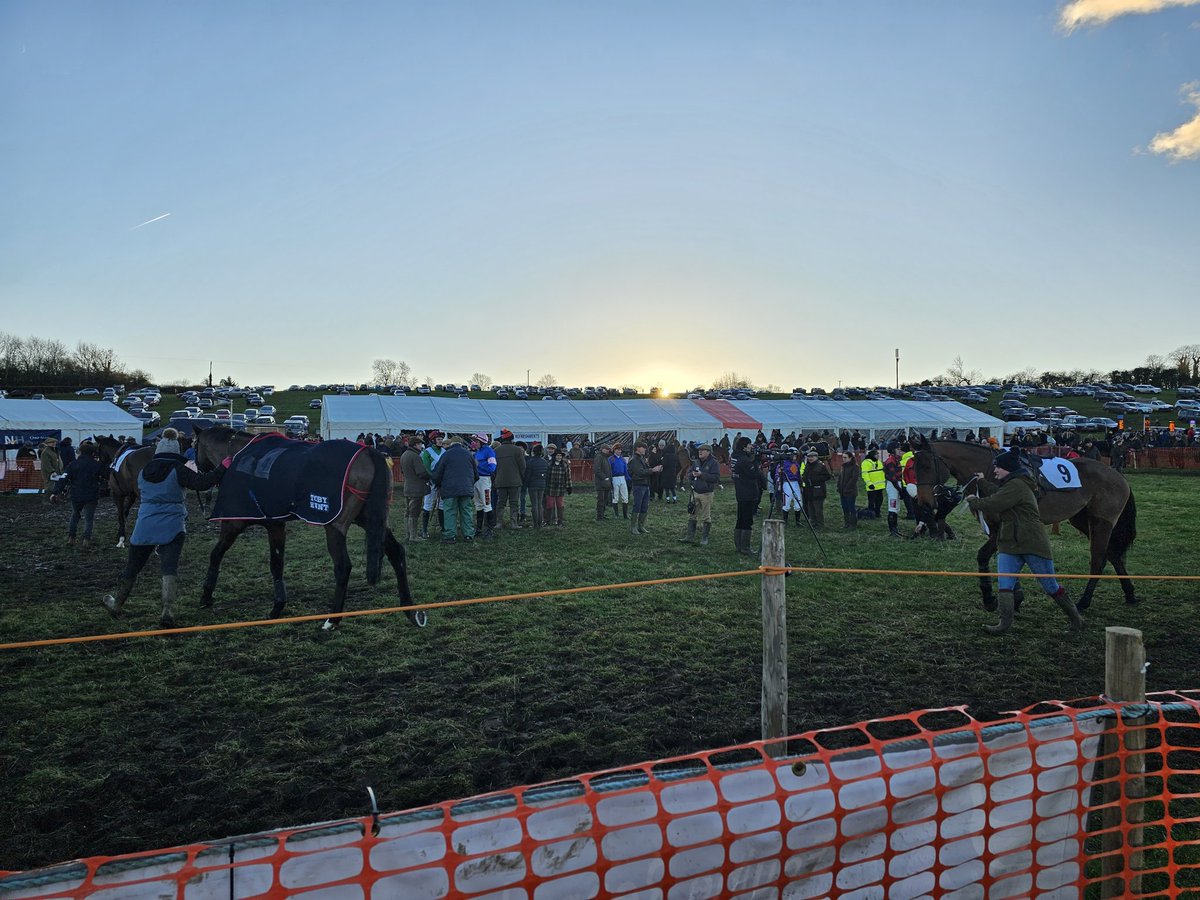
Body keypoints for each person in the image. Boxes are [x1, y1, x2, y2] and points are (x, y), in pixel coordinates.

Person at [102, 429, 229, 627]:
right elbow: (203, 483)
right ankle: (167, 611)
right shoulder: (179, 469)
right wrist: (223, 466)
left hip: (144, 524)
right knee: (169, 569)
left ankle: (117, 603)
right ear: (176, 449)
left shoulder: (144, 471)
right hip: (172, 526)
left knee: (133, 567)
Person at [966, 447, 1082, 635]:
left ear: (1008, 469)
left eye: (998, 467)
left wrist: (974, 501)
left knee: (1050, 586)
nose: (995, 470)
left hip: (1032, 542)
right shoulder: (1013, 484)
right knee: (1005, 584)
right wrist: (981, 482)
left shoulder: (1017, 486)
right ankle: (1004, 624)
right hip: (1009, 542)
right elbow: (998, 493)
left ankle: (1076, 619)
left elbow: (995, 502)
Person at [431, 436, 477, 544]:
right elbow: (476, 474)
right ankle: (468, 535)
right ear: (461, 444)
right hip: (466, 489)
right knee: (466, 511)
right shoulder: (468, 454)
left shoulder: (446, 454)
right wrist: (469, 484)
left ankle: (450, 536)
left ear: (451, 444)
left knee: (450, 512)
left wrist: (437, 483)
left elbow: (438, 472)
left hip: (449, 489)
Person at [61, 441, 106, 549]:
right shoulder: (96, 465)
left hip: (76, 494)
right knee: (89, 518)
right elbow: (107, 475)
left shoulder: (73, 464)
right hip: (91, 495)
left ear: (80, 452)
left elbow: (64, 478)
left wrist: (56, 491)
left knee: (75, 515)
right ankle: (86, 539)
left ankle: (71, 537)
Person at [731, 436, 766, 555]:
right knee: (747, 520)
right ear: (744, 446)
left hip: (740, 492)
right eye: (749, 444)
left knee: (740, 519)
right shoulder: (744, 460)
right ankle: (745, 547)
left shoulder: (735, 457)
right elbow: (754, 474)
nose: (751, 446)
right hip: (748, 492)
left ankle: (739, 545)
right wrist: (756, 461)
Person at [680, 443, 720, 545]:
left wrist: (702, 475)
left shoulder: (713, 463)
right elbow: (689, 473)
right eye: (699, 450)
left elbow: (715, 478)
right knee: (692, 514)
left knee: (706, 516)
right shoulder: (696, 462)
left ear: (708, 452)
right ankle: (689, 536)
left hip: (706, 493)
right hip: (695, 492)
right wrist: (692, 477)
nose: (700, 452)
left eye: (702, 450)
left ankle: (704, 538)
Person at [493, 428, 526, 528]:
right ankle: (513, 523)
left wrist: (496, 477)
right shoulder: (517, 450)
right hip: (515, 481)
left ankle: (499, 523)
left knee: (500, 503)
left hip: (500, 481)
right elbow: (522, 466)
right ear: (512, 439)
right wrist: (521, 477)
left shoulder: (496, 450)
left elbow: (493, 467)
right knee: (514, 503)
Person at [399, 435, 430, 541]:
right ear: (416, 445)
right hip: (416, 488)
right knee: (414, 512)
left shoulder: (404, 455)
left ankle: (408, 534)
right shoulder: (415, 456)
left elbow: (402, 471)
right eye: (420, 444)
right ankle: (413, 536)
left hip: (407, 487)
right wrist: (429, 476)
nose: (421, 446)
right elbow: (421, 473)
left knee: (408, 511)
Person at [627, 440, 661, 534]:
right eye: (643, 447)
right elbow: (640, 472)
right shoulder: (634, 460)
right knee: (637, 505)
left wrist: (654, 470)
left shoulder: (641, 458)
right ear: (638, 448)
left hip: (645, 485)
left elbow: (645, 469)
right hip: (638, 485)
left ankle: (641, 526)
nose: (645, 449)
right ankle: (633, 527)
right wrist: (652, 470)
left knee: (644, 506)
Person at [419, 432, 445, 538]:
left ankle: (443, 528)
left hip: (442, 482)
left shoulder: (444, 451)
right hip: (431, 482)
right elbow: (426, 467)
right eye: (438, 439)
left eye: (441, 439)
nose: (440, 441)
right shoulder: (427, 452)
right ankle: (424, 530)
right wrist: (434, 479)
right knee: (428, 504)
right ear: (433, 440)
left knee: (442, 505)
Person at [471, 433, 497, 540]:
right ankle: (479, 529)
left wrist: (478, 465)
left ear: (482, 442)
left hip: (484, 480)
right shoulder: (478, 452)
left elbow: (492, 467)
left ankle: (489, 530)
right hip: (476, 479)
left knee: (487, 504)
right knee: (478, 505)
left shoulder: (489, 451)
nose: (474, 443)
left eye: (476, 441)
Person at [544, 444, 572, 526]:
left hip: (560, 487)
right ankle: (548, 521)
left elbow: (568, 476)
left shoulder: (565, 465)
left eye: (560, 456)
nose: (559, 457)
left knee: (560, 505)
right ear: (555, 456)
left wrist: (569, 486)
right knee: (549, 504)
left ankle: (560, 521)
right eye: (558, 455)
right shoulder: (549, 464)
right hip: (550, 487)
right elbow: (546, 476)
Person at [801, 449, 830, 527]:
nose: (810, 458)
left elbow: (827, 476)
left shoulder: (821, 465)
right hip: (809, 490)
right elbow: (804, 475)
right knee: (811, 509)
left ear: (816, 457)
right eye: (809, 457)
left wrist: (815, 479)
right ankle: (813, 523)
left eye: (812, 457)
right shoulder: (807, 465)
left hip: (818, 490)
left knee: (818, 509)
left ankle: (820, 524)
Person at [524, 443, 549, 528]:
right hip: (542, 484)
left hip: (532, 485)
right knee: (540, 504)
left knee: (534, 504)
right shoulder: (545, 462)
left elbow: (528, 475)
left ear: (533, 452)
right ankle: (540, 523)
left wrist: (525, 484)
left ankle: (535, 524)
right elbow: (547, 474)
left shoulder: (530, 462)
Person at [883, 442, 904, 536]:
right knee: (893, 507)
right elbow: (892, 478)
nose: (900, 450)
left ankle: (895, 529)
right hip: (893, 485)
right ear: (893, 450)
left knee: (896, 508)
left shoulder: (896, 460)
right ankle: (892, 530)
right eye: (898, 448)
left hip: (897, 485)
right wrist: (900, 490)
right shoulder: (891, 461)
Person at [837, 451, 860, 529]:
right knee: (844, 507)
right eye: (843, 457)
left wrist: (847, 487)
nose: (843, 459)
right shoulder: (843, 466)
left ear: (850, 458)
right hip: (842, 491)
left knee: (851, 507)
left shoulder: (855, 467)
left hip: (850, 491)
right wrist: (839, 486)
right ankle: (846, 523)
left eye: (845, 457)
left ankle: (853, 524)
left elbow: (854, 479)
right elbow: (840, 477)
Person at [609, 443, 630, 519]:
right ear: (614, 450)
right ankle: (616, 514)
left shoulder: (623, 459)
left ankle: (625, 515)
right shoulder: (611, 459)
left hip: (622, 478)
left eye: (620, 450)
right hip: (614, 478)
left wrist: (628, 478)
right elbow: (609, 470)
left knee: (625, 496)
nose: (619, 451)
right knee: (615, 496)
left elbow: (625, 470)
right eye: (618, 450)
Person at [593, 443, 613, 520]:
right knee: (601, 500)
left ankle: (602, 515)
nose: (608, 451)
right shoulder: (599, 457)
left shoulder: (605, 457)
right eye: (607, 449)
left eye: (609, 449)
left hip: (606, 482)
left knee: (604, 500)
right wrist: (605, 477)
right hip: (601, 483)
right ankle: (599, 516)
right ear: (602, 449)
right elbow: (597, 470)